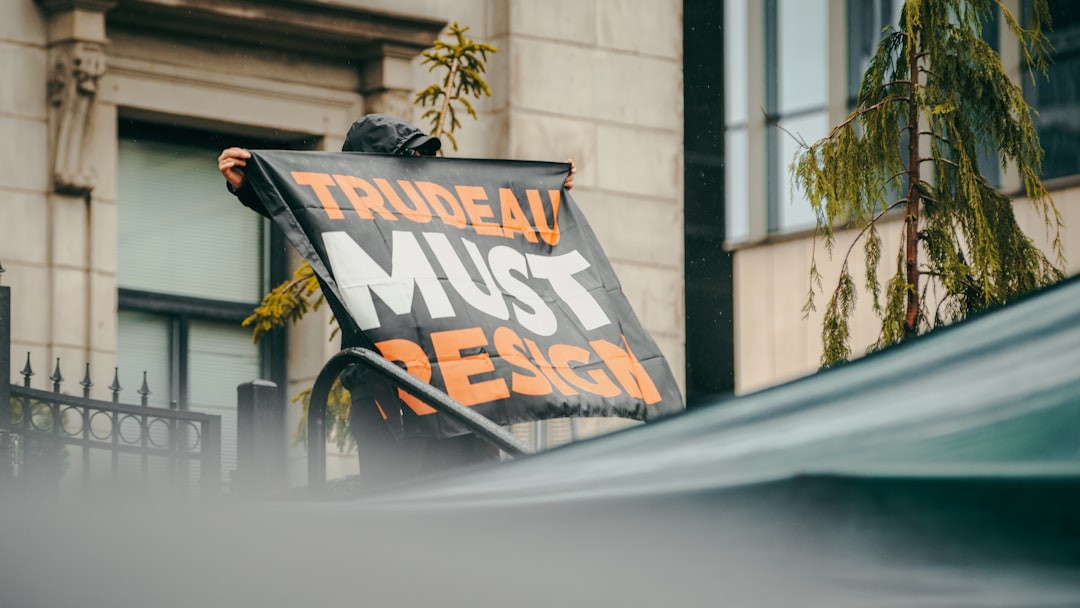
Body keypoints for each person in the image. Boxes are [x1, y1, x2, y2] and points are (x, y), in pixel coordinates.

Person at [218, 114, 575, 483]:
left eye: (420, 159)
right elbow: (295, 206)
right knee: (403, 516)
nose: (418, 170)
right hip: (388, 399)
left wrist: (546, 193)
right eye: (407, 160)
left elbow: (497, 226)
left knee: (476, 509)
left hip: (460, 392)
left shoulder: (442, 215)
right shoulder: (337, 222)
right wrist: (250, 185)